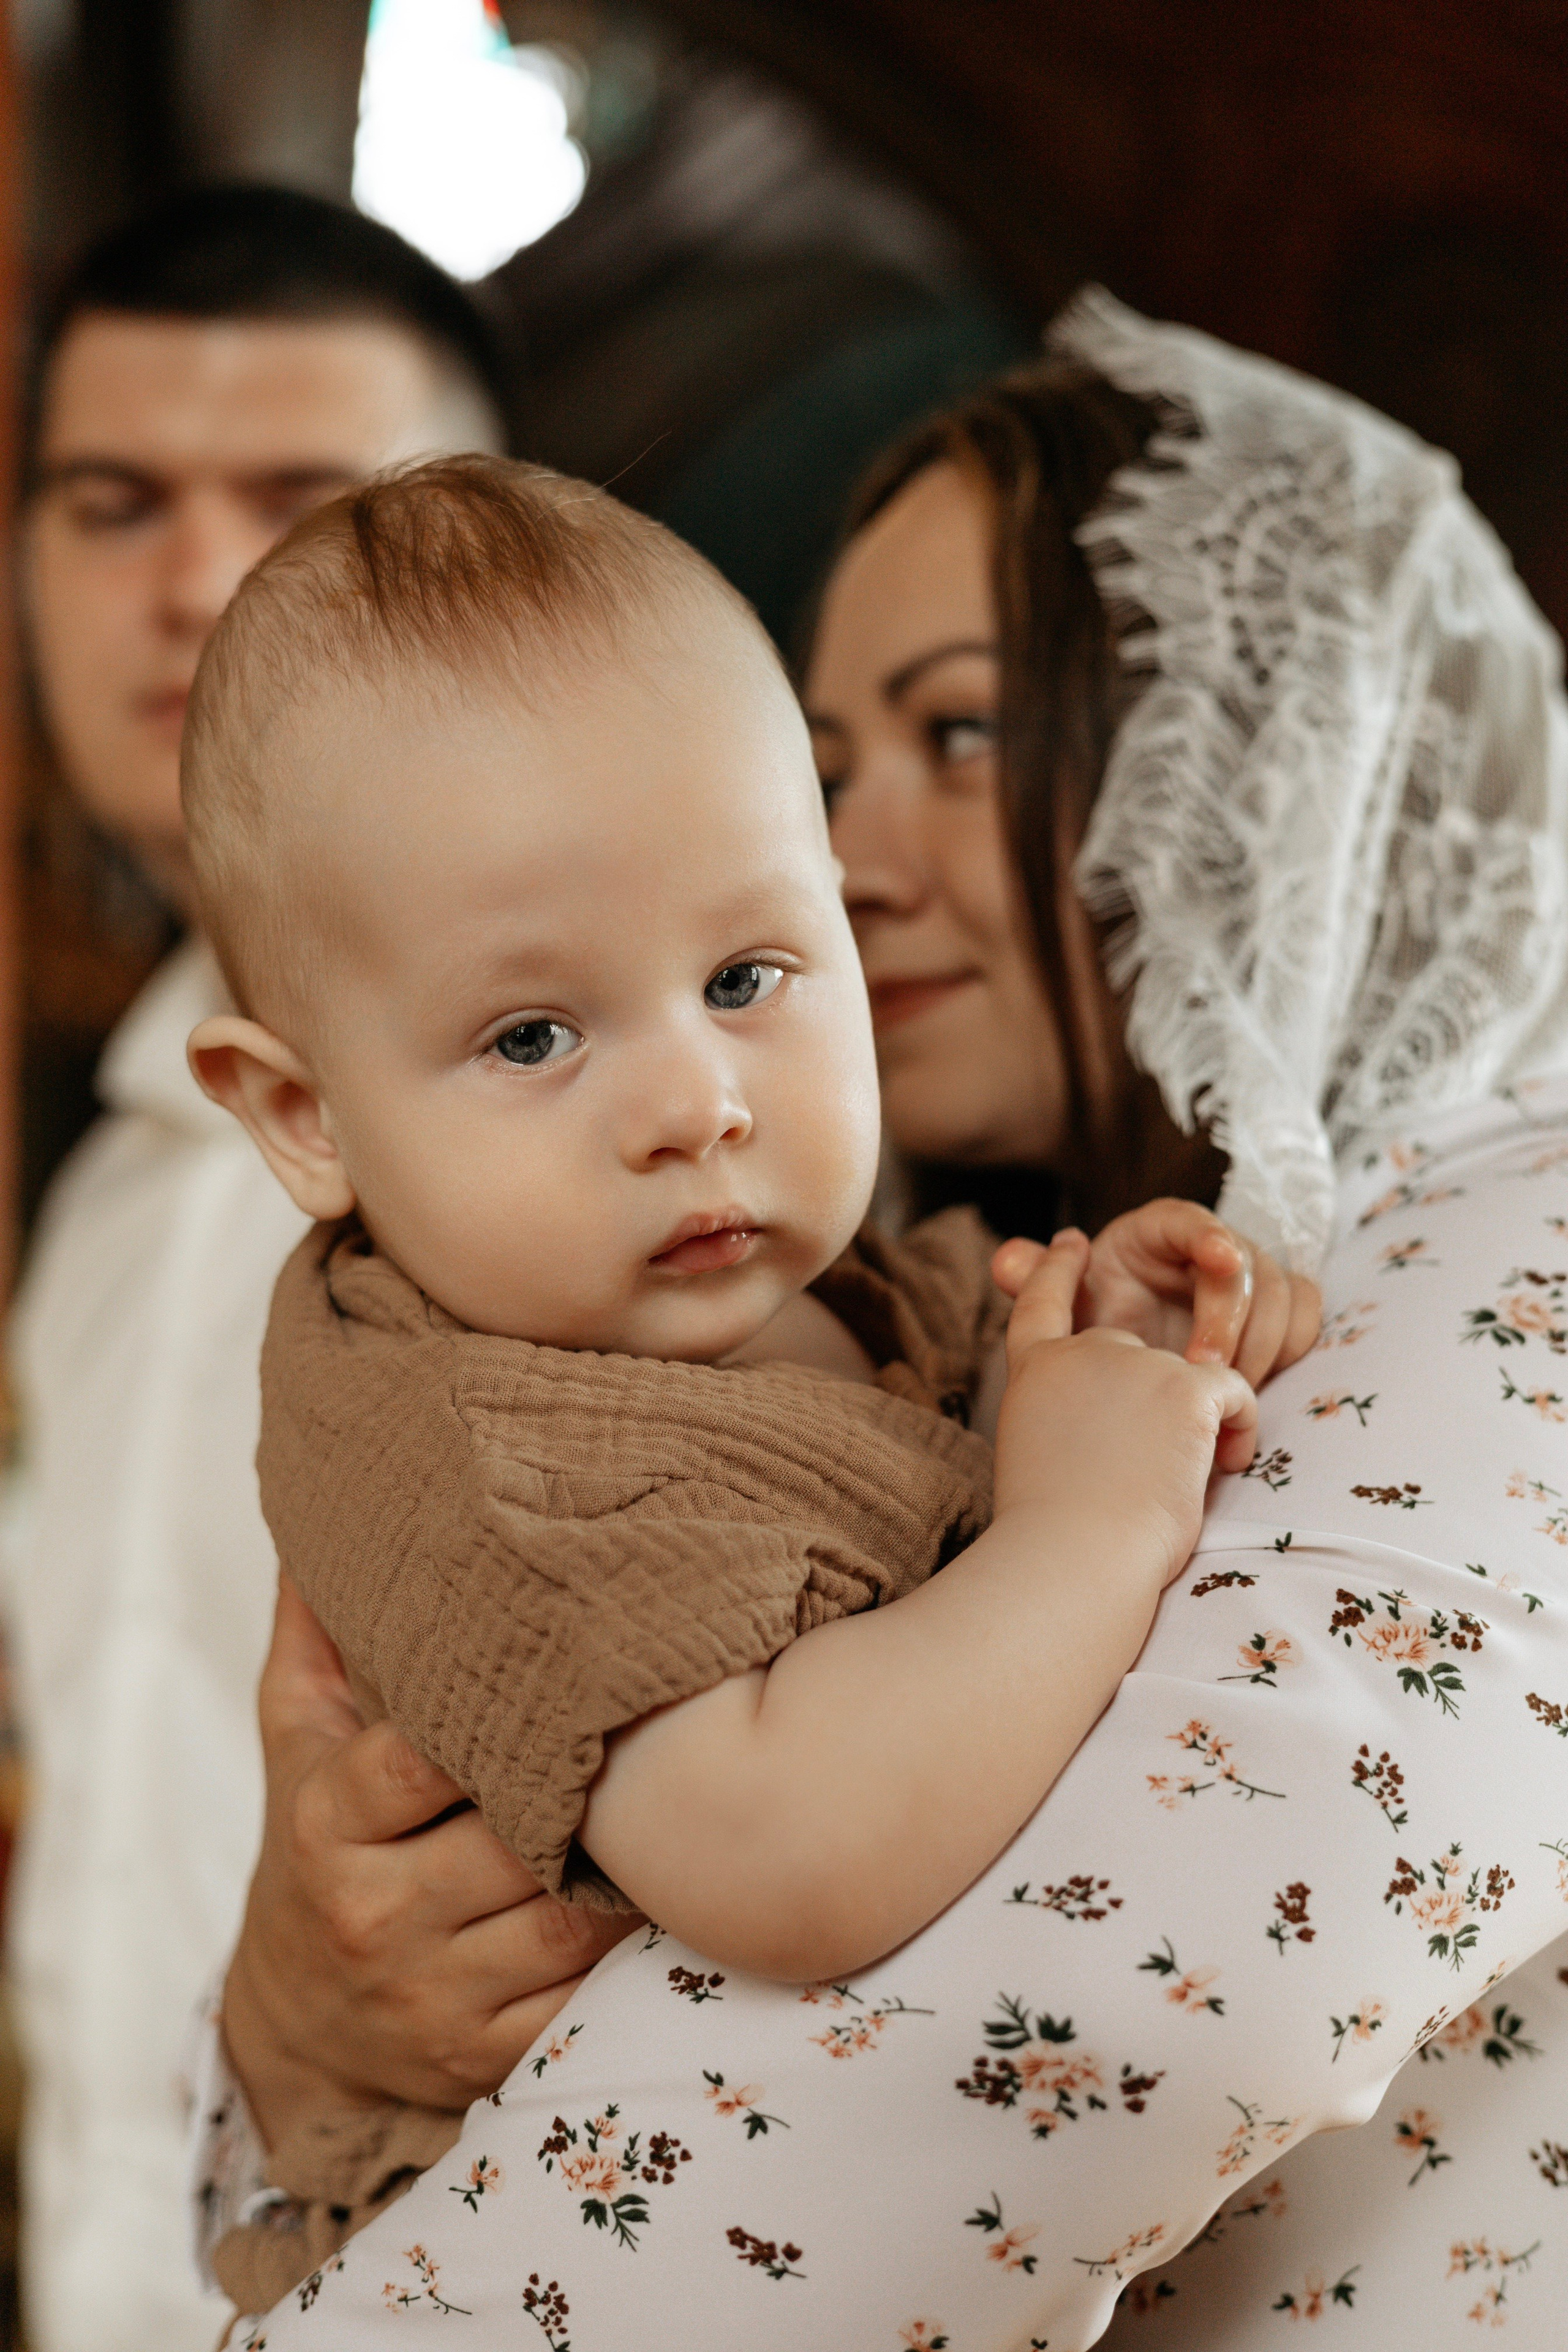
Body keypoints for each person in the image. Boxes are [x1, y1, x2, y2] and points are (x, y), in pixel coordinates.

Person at [205, 294, 1568, 2348]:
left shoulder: (1511, 1239)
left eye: (959, 731)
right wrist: (288, 2017)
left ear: (1296, 732)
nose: (858, 853)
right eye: (830, 767)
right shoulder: (561, 1373)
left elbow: (1127, 2019)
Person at [3, 184, 526, 2352]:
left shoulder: (646, 1171)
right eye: (111, 502)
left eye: (300, 500)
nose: (196, 582)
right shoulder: (110, 1178)